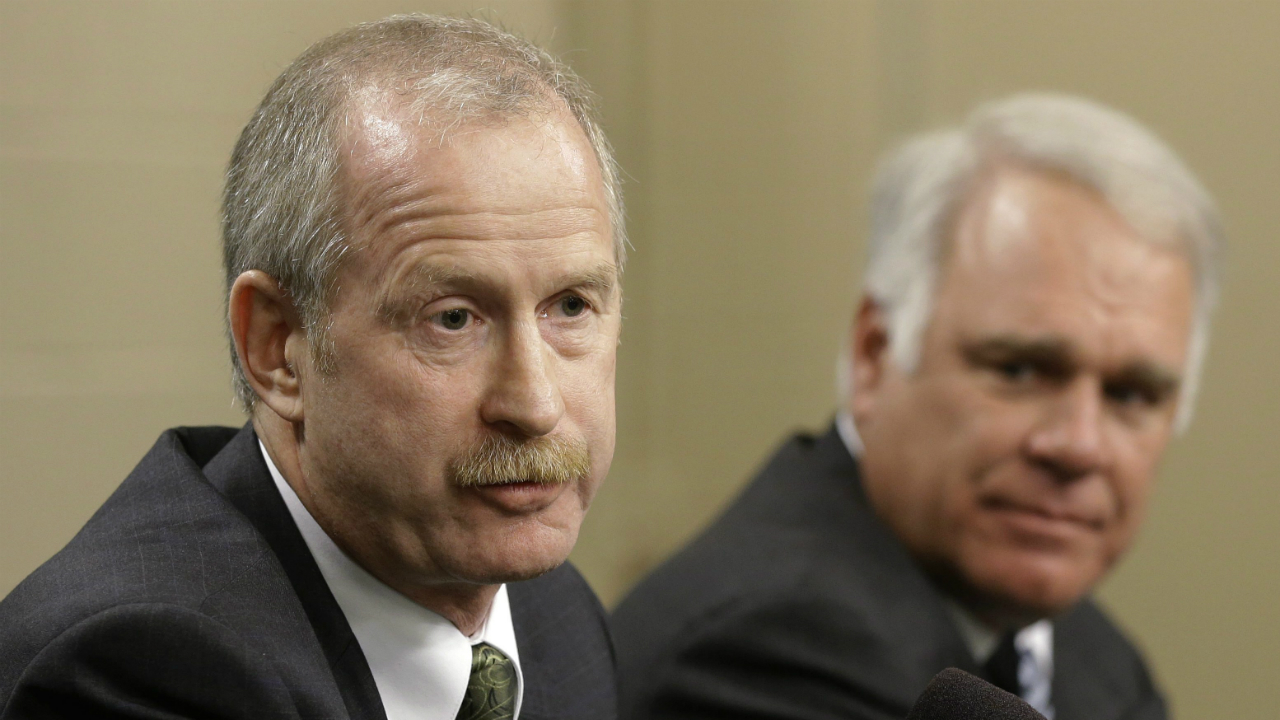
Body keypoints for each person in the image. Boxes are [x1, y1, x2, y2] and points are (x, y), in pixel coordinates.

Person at [0, 15, 625, 720]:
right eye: (452, 318)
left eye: (570, 306)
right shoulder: (140, 667)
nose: (535, 404)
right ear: (278, 347)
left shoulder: (551, 616)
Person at [612, 93, 1222, 720]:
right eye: (1018, 370)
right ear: (875, 355)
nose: (1079, 445)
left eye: (1131, 396)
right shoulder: (759, 654)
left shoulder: (1093, 658)